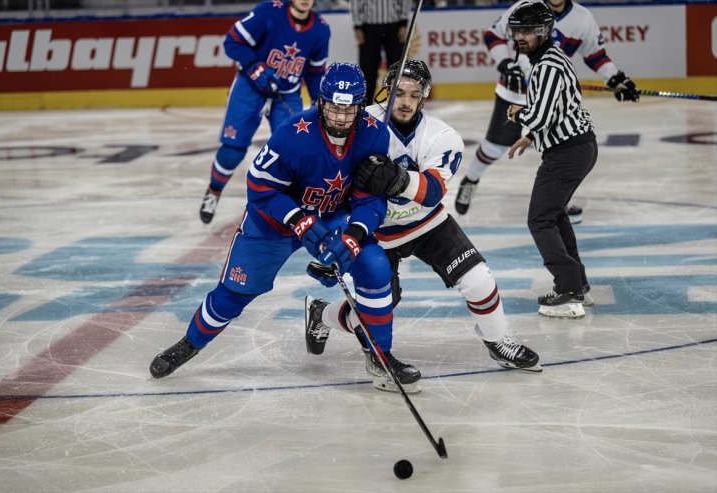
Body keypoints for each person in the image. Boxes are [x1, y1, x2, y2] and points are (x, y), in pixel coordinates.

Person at [151, 63, 422, 391]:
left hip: (333, 214)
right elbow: (260, 187)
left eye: (349, 109)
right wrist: (299, 220)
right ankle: (190, 343)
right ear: (321, 103)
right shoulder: (293, 134)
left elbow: (370, 197)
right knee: (233, 294)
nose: (340, 118)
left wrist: (354, 235)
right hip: (275, 223)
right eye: (334, 108)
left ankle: (380, 355)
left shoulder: (374, 132)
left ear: (360, 106)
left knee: (375, 266)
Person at [304, 59, 542, 385]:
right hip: (373, 232)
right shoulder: (359, 124)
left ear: (424, 97)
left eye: (414, 95)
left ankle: (497, 340)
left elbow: (431, 193)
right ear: (386, 92)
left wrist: (396, 179)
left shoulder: (442, 137)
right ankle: (322, 313)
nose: (404, 101)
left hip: (427, 223)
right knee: (376, 307)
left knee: (479, 280)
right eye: (398, 92)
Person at [454, 0, 638, 224]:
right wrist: (504, 63)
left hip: (551, 93)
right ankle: (471, 179)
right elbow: (493, 35)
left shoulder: (583, 18)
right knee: (497, 145)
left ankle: (559, 201)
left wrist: (615, 78)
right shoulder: (525, 7)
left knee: (561, 147)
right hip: (514, 92)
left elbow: (595, 55)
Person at [504, 2, 597, 319]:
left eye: (526, 30)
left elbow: (540, 115)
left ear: (543, 30)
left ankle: (569, 290)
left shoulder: (547, 65)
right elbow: (551, 112)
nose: (520, 36)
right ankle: (578, 286)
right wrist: (529, 136)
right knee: (554, 215)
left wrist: (519, 115)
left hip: (569, 152)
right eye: (516, 30)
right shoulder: (548, 59)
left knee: (540, 219)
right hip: (572, 149)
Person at [199, 0, 330, 224]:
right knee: (233, 150)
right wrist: (254, 66)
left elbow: (316, 70)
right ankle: (214, 190)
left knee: (294, 150)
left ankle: (289, 207)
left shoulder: (320, 28)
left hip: (287, 94)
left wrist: (318, 98)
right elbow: (233, 42)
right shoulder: (269, 11)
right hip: (250, 87)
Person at [350, 0, 412, 103]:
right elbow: (356, 2)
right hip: (369, 27)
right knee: (368, 69)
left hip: (394, 26)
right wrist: (357, 26)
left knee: (397, 69)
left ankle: (397, 103)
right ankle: (366, 105)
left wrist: (404, 23)